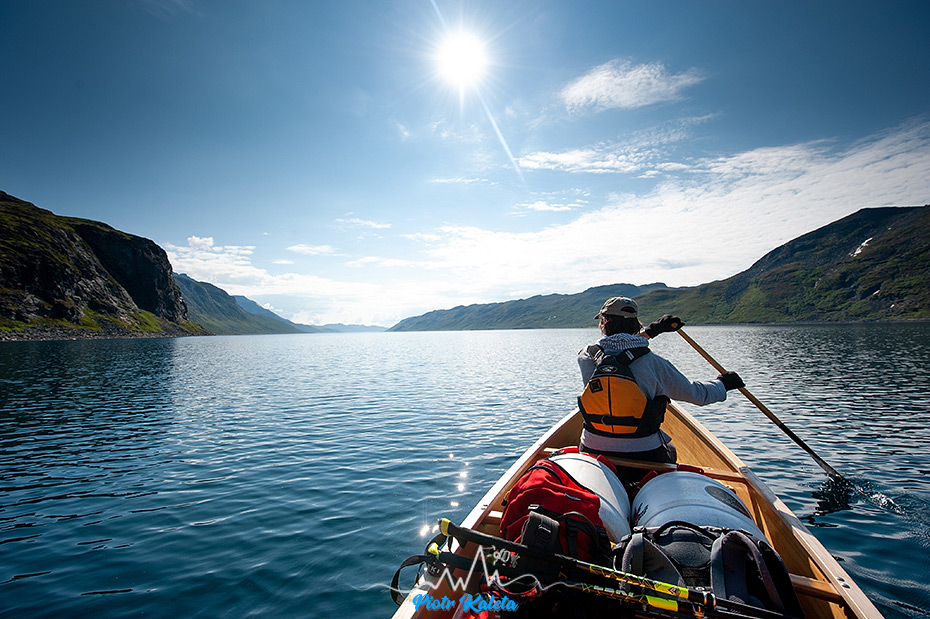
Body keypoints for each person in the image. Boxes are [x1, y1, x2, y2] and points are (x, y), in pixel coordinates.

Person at [577, 296, 744, 482]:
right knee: (671, 449)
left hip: (593, 450)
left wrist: (652, 331)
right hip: (646, 456)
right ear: (635, 325)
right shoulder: (655, 363)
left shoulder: (586, 356)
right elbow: (697, 395)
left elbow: (617, 348)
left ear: (605, 324)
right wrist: (724, 384)